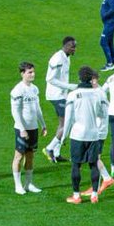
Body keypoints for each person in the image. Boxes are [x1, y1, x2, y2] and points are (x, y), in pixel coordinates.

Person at [63, 66, 110, 204]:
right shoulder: (97, 94)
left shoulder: (72, 95)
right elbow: (102, 114)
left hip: (78, 135)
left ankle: (76, 196)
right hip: (94, 134)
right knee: (94, 164)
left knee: (76, 165)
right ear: (91, 78)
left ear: (79, 78)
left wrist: (63, 137)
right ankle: (94, 195)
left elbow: (68, 118)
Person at [10, 61, 45, 194]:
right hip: (22, 129)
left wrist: (43, 124)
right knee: (18, 156)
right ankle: (17, 185)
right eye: (30, 72)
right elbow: (15, 111)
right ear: (22, 74)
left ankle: (29, 184)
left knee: (30, 156)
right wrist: (22, 128)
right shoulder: (17, 90)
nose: (33, 74)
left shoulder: (34, 89)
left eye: (33, 71)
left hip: (33, 128)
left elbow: (37, 108)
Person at [42, 36, 78, 163]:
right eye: (73, 47)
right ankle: (49, 148)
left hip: (62, 95)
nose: (75, 49)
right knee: (69, 121)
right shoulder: (57, 58)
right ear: (67, 46)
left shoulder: (66, 57)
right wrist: (70, 86)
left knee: (63, 124)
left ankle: (56, 153)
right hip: (56, 96)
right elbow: (50, 78)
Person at [98, 0, 114, 72]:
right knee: (109, 43)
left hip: (110, 23)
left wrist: (105, 15)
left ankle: (109, 64)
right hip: (109, 23)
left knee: (103, 42)